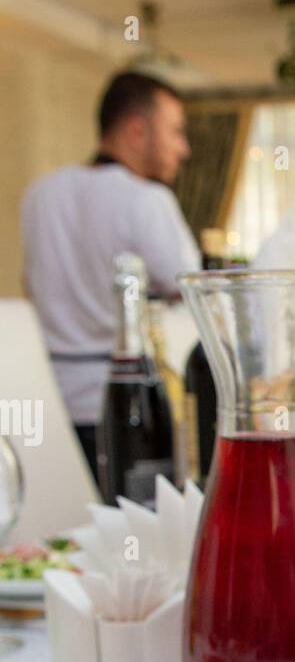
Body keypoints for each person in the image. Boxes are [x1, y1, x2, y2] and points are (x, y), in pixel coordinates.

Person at [21, 70, 200, 476]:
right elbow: (194, 293)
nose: (184, 148)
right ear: (137, 130)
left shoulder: (40, 194)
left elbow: (30, 286)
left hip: (48, 404)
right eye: (175, 132)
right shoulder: (146, 199)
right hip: (125, 408)